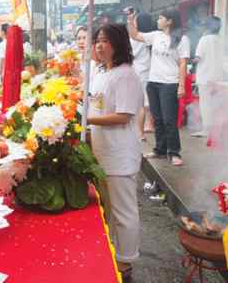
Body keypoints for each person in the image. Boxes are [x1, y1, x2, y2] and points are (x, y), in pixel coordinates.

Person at [87, 24, 142, 283]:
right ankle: (113, 255)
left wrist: (88, 121)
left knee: (123, 211)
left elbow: (124, 115)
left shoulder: (125, 75)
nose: (100, 45)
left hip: (120, 155)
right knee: (109, 210)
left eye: (106, 41)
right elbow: (98, 107)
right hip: (103, 153)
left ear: (119, 44)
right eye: (97, 40)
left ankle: (126, 263)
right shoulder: (102, 73)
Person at [128, 10, 190, 166]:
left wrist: (181, 85)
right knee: (158, 119)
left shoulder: (182, 39)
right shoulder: (156, 35)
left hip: (170, 83)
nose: (158, 20)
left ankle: (174, 152)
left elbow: (183, 63)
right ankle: (160, 150)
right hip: (153, 82)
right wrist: (130, 20)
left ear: (169, 21)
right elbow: (135, 35)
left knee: (169, 119)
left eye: (161, 18)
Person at [192, 16, 224, 138]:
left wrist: (188, 61)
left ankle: (206, 130)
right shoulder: (220, 40)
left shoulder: (204, 39)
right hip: (218, 77)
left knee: (205, 104)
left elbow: (198, 58)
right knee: (216, 105)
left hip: (205, 78)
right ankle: (218, 129)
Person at [128, 12, 155, 141]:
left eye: (136, 21)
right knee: (147, 99)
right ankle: (148, 124)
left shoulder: (136, 38)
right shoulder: (150, 36)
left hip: (138, 70)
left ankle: (140, 133)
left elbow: (130, 54)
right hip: (149, 68)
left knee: (140, 103)